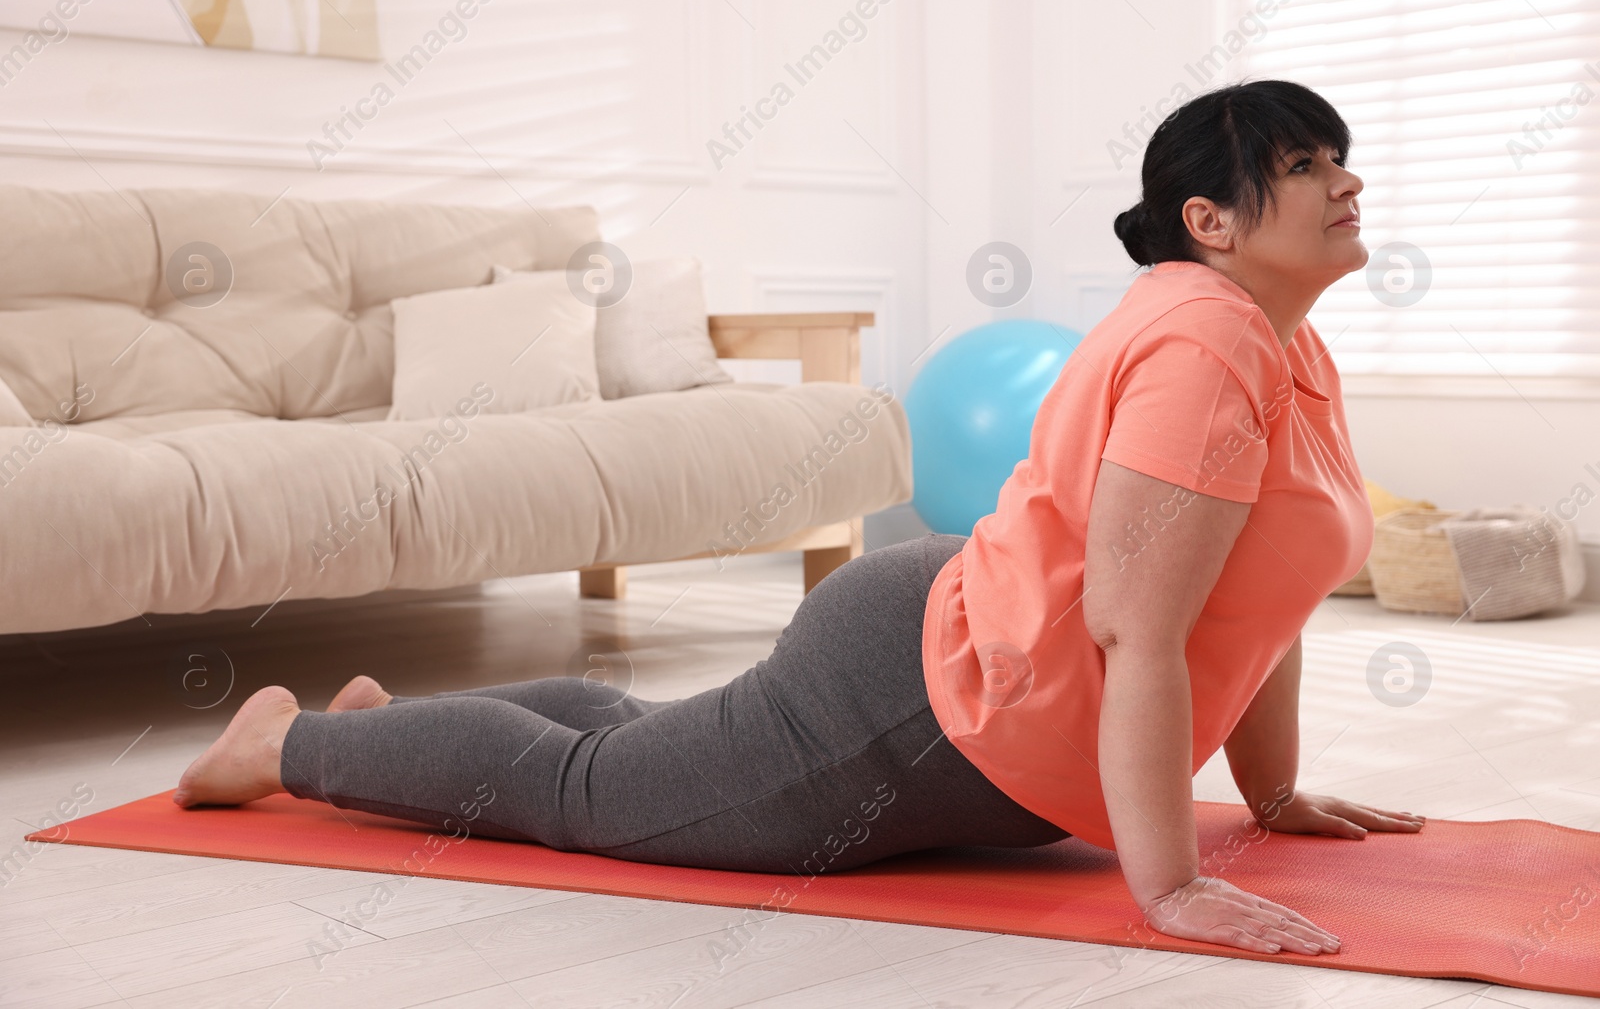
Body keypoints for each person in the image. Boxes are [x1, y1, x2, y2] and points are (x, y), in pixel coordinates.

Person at [177, 78, 1423, 957]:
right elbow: (1132, 626)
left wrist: (1271, 794)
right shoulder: (1207, 345)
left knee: (638, 731)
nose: (1344, 178)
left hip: (948, 653)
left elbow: (1261, 596)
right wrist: (1170, 886)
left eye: (1336, 154)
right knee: (588, 786)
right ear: (1209, 223)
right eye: (1304, 163)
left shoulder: (1283, 346)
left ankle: (388, 727)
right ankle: (287, 746)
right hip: (925, 701)